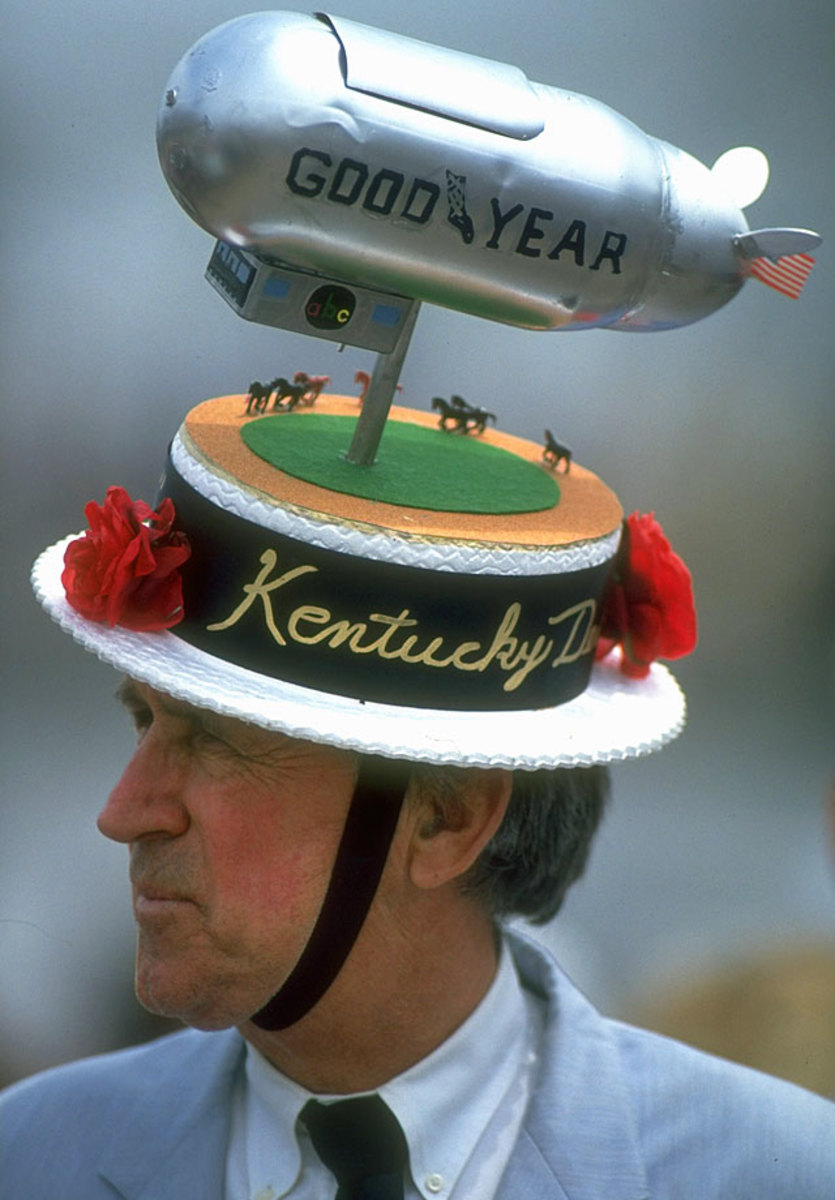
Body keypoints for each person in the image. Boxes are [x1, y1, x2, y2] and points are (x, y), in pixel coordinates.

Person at [1, 394, 833, 1199]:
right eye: (143, 723)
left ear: (448, 819)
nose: (124, 812)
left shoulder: (782, 1173)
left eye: (215, 746)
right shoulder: (28, 1152)